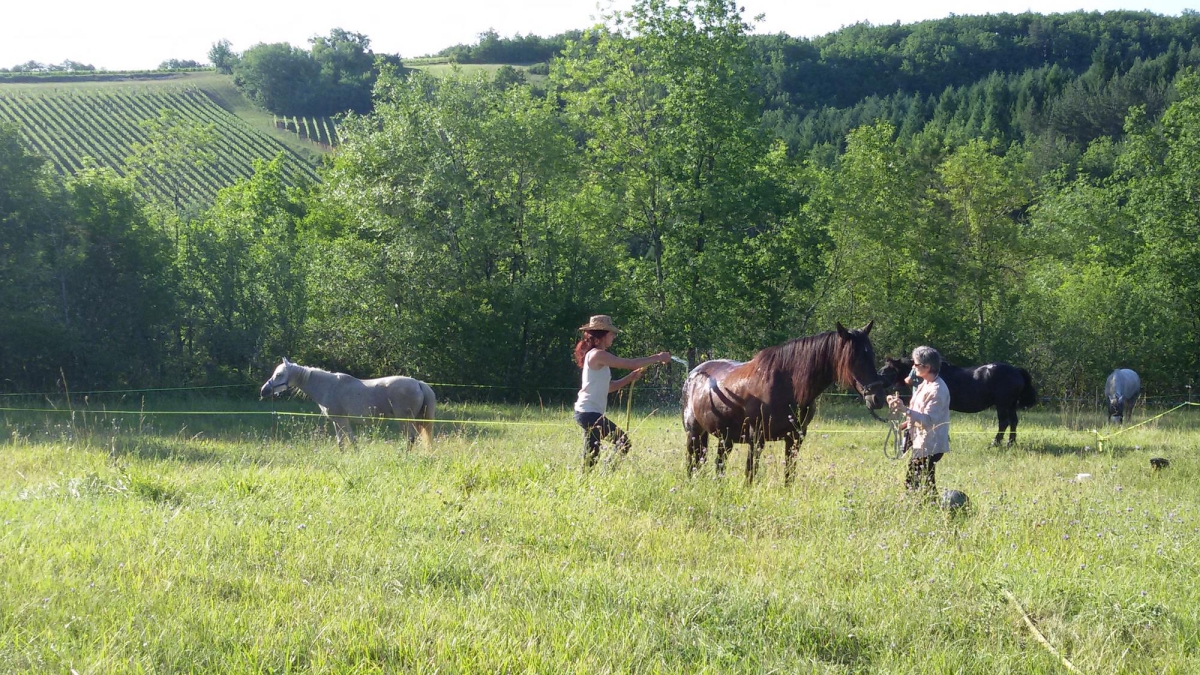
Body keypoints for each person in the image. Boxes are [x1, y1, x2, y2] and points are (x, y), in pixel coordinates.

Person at [573, 315, 671, 469]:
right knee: (623, 442)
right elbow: (630, 363)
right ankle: (607, 472)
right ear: (601, 336)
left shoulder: (597, 356)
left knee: (592, 453)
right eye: (611, 333)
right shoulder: (598, 355)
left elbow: (609, 387)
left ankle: (590, 480)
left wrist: (630, 378)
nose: (613, 336)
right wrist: (658, 357)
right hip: (589, 413)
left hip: (588, 412)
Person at [887, 346, 951, 494]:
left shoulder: (937, 390)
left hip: (930, 443)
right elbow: (918, 411)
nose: (913, 367)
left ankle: (922, 507)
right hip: (921, 440)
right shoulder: (925, 384)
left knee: (913, 482)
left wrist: (905, 410)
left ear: (927, 367)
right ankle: (933, 506)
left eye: (915, 364)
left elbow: (928, 420)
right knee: (926, 481)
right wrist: (903, 422)